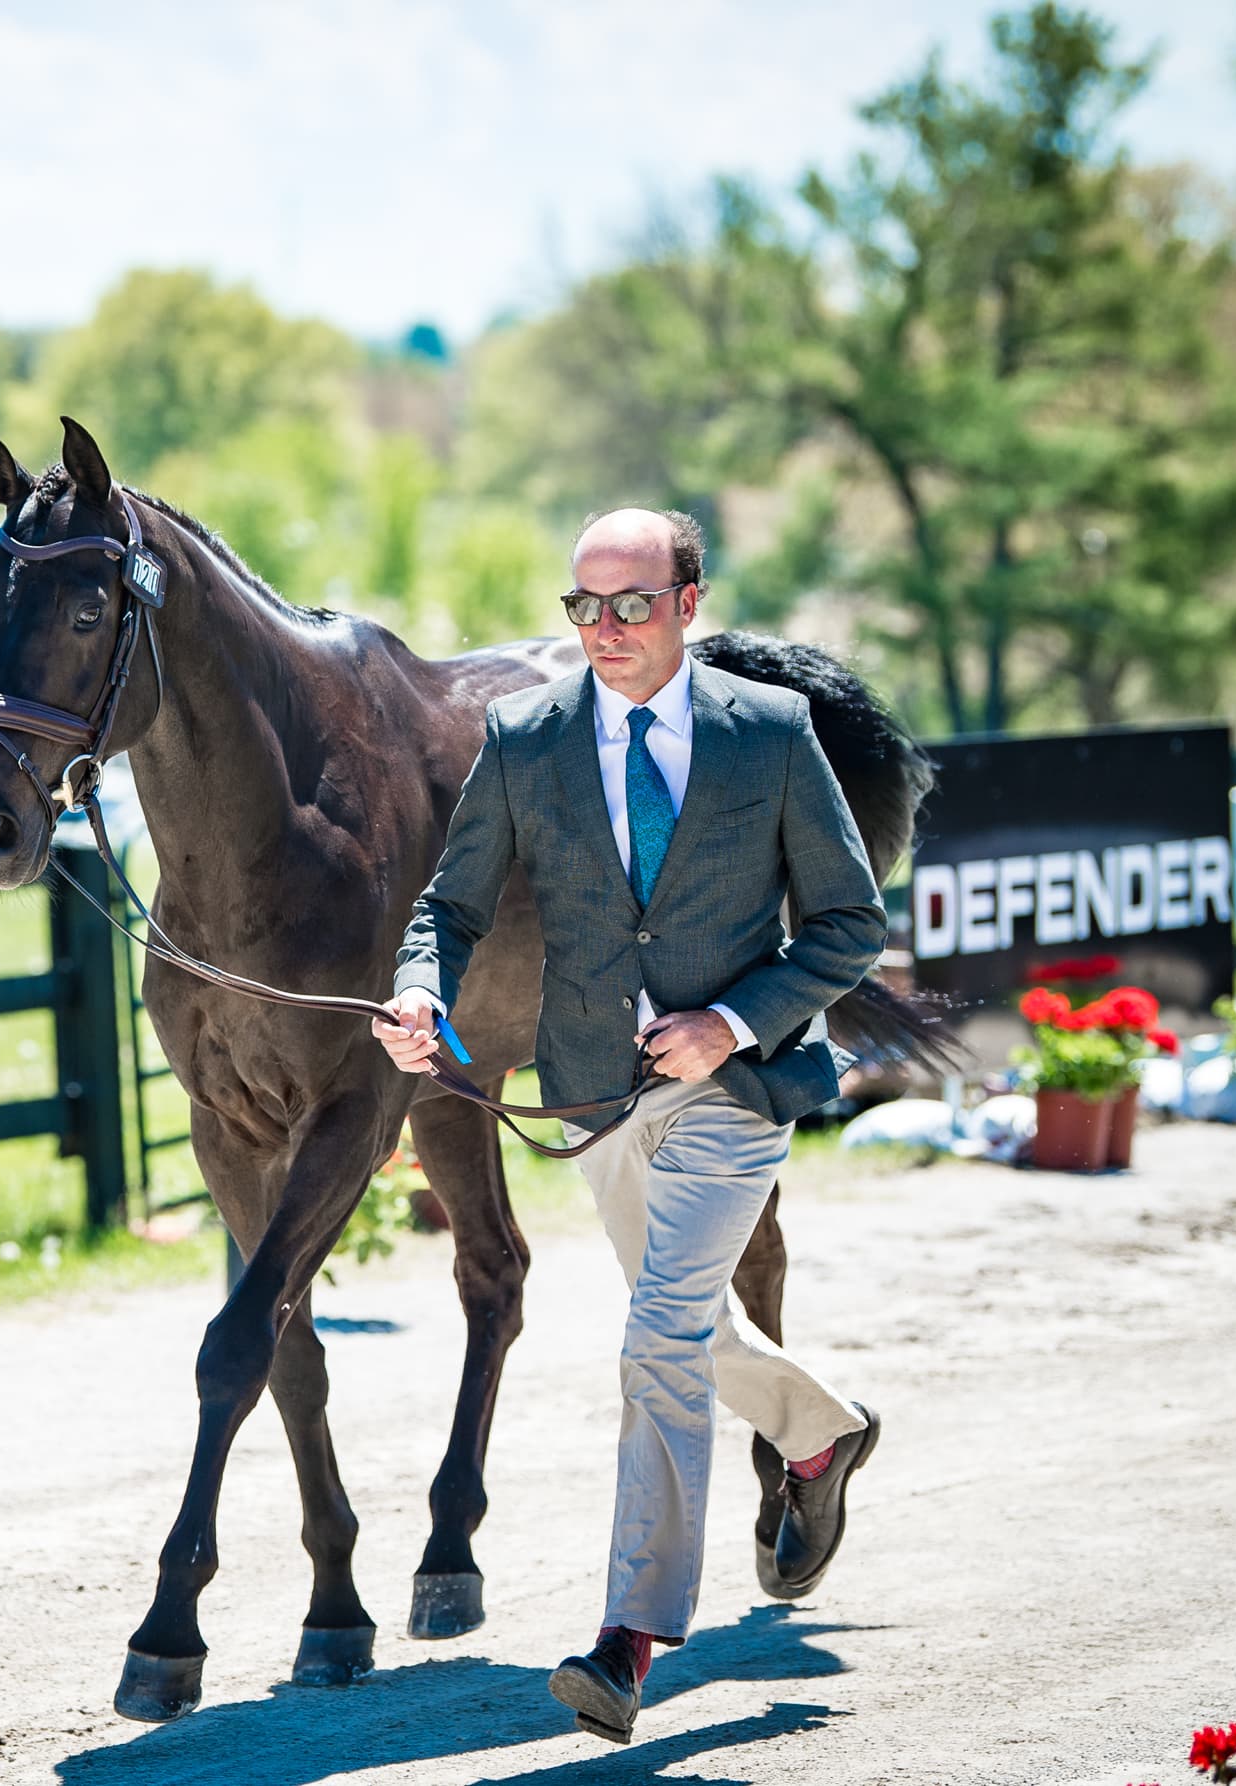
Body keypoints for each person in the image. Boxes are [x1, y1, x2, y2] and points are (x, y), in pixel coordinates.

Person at [372, 508, 886, 1747]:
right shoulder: (526, 736)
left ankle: (628, 1639)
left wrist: (733, 1021)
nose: (603, 630)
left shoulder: (769, 735)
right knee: (693, 1323)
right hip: (597, 1092)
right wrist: (419, 988)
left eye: (631, 604)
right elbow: (448, 903)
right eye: (583, 607)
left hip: (734, 1088)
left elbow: (848, 924)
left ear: (689, 601)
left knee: (656, 1337)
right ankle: (821, 1432)